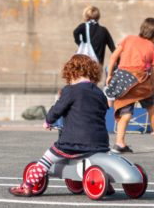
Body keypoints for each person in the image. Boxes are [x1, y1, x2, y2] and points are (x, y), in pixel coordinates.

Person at [9, 54, 110, 197]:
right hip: (100, 142)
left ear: (72, 73)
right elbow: (103, 110)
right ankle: (107, 183)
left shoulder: (70, 90)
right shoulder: (99, 93)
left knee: (47, 158)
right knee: (95, 158)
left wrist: (48, 121)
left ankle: (27, 185)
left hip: (74, 142)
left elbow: (57, 109)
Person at [105, 18, 154, 153]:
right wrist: (153, 93)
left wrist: (110, 75)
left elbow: (113, 57)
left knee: (125, 113)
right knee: (151, 108)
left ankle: (119, 143)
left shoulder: (128, 39)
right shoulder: (152, 48)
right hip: (140, 83)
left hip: (123, 80)